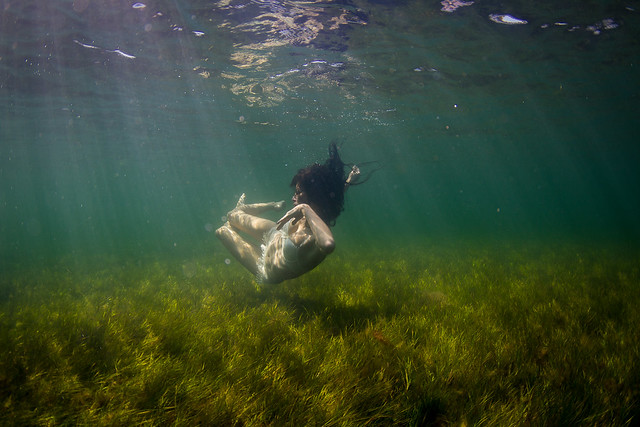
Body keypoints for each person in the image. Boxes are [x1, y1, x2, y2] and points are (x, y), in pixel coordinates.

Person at [216, 143, 362, 284]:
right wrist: (349, 181)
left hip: (266, 266)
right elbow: (330, 196)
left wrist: (304, 208)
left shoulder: (314, 233)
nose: (293, 197)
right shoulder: (320, 209)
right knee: (231, 215)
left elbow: (328, 245)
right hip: (274, 234)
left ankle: (237, 221)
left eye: (298, 192)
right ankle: (273, 205)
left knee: (222, 231)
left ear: (314, 198)